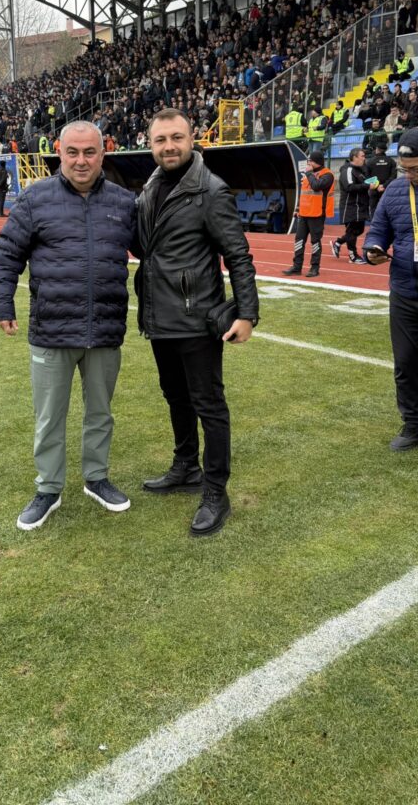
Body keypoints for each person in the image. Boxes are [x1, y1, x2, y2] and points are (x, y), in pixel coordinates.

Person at [0, 121, 136, 531]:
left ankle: (96, 478)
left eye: (89, 152)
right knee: (49, 417)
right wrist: (1, 303)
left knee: (100, 413)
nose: (81, 160)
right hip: (52, 331)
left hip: (104, 329)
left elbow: (156, 252)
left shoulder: (124, 202)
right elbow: (7, 255)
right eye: (72, 152)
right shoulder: (35, 199)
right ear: (59, 153)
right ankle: (48, 488)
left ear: (103, 153)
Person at [135, 109, 259, 538]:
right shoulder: (152, 185)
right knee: (175, 397)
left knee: (209, 404)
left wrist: (247, 314)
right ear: (150, 144)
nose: (169, 146)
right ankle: (186, 467)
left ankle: (216, 491)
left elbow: (238, 255)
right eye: (160, 140)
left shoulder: (210, 190)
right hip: (159, 316)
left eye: (176, 137)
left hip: (196, 318)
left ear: (192, 139)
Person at [364, 127, 418, 451]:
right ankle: (413, 424)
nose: (410, 175)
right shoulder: (396, 190)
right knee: (406, 363)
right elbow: (379, 230)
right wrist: (373, 249)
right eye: (405, 169)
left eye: (415, 169)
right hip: (404, 290)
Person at [283, 151, 335, 278]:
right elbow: (304, 194)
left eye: (310, 161)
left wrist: (309, 173)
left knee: (315, 241)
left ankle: (314, 268)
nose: (308, 163)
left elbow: (317, 186)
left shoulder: (327, 175)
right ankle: (297, 267)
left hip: (317, 214)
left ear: (317, 161)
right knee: (299, 240)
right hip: (304, 213)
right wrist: (297, 209)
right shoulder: (309, 174)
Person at [365, 138, 397, 218]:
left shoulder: (370, 161)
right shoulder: (391, 161)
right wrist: (384, 186)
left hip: (374, 190)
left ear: (377, 149)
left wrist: (377, 186)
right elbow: (393, 177)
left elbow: (367, 177)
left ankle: (374, 224)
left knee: (374, 210)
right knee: (387, 210)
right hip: (387, 189)